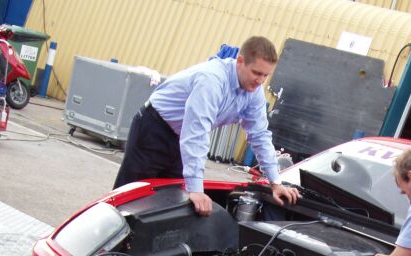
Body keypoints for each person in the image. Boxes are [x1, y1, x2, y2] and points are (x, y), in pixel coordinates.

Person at [114, 36, 300, 216]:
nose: (260, 81)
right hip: (154, 129)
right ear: (240, 61)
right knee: (130, 198)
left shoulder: (254, 92)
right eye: (256, 73)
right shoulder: (212, 79)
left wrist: (275, 182)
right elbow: (196, 131)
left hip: (180, 139)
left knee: (165, 203)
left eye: (265, 76)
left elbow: (259, 135)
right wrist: (196, 188)